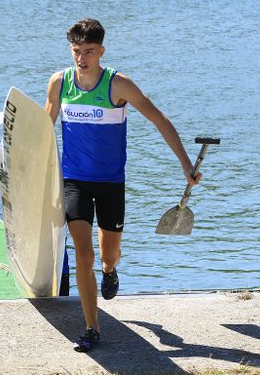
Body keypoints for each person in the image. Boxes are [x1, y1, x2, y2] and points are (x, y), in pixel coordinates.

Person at [45, 18, 202, 352]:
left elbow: (160, 120)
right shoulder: (59, 83)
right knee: (83, 255)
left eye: (88, 51)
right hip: (74, 181)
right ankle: (91, 328)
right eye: (76, 51)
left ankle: (110, 269)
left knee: (108, 253)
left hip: (111, 182)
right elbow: (44, 131)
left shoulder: (119, 86)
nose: (81, 58)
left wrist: (186, 164)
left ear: (101, 50)